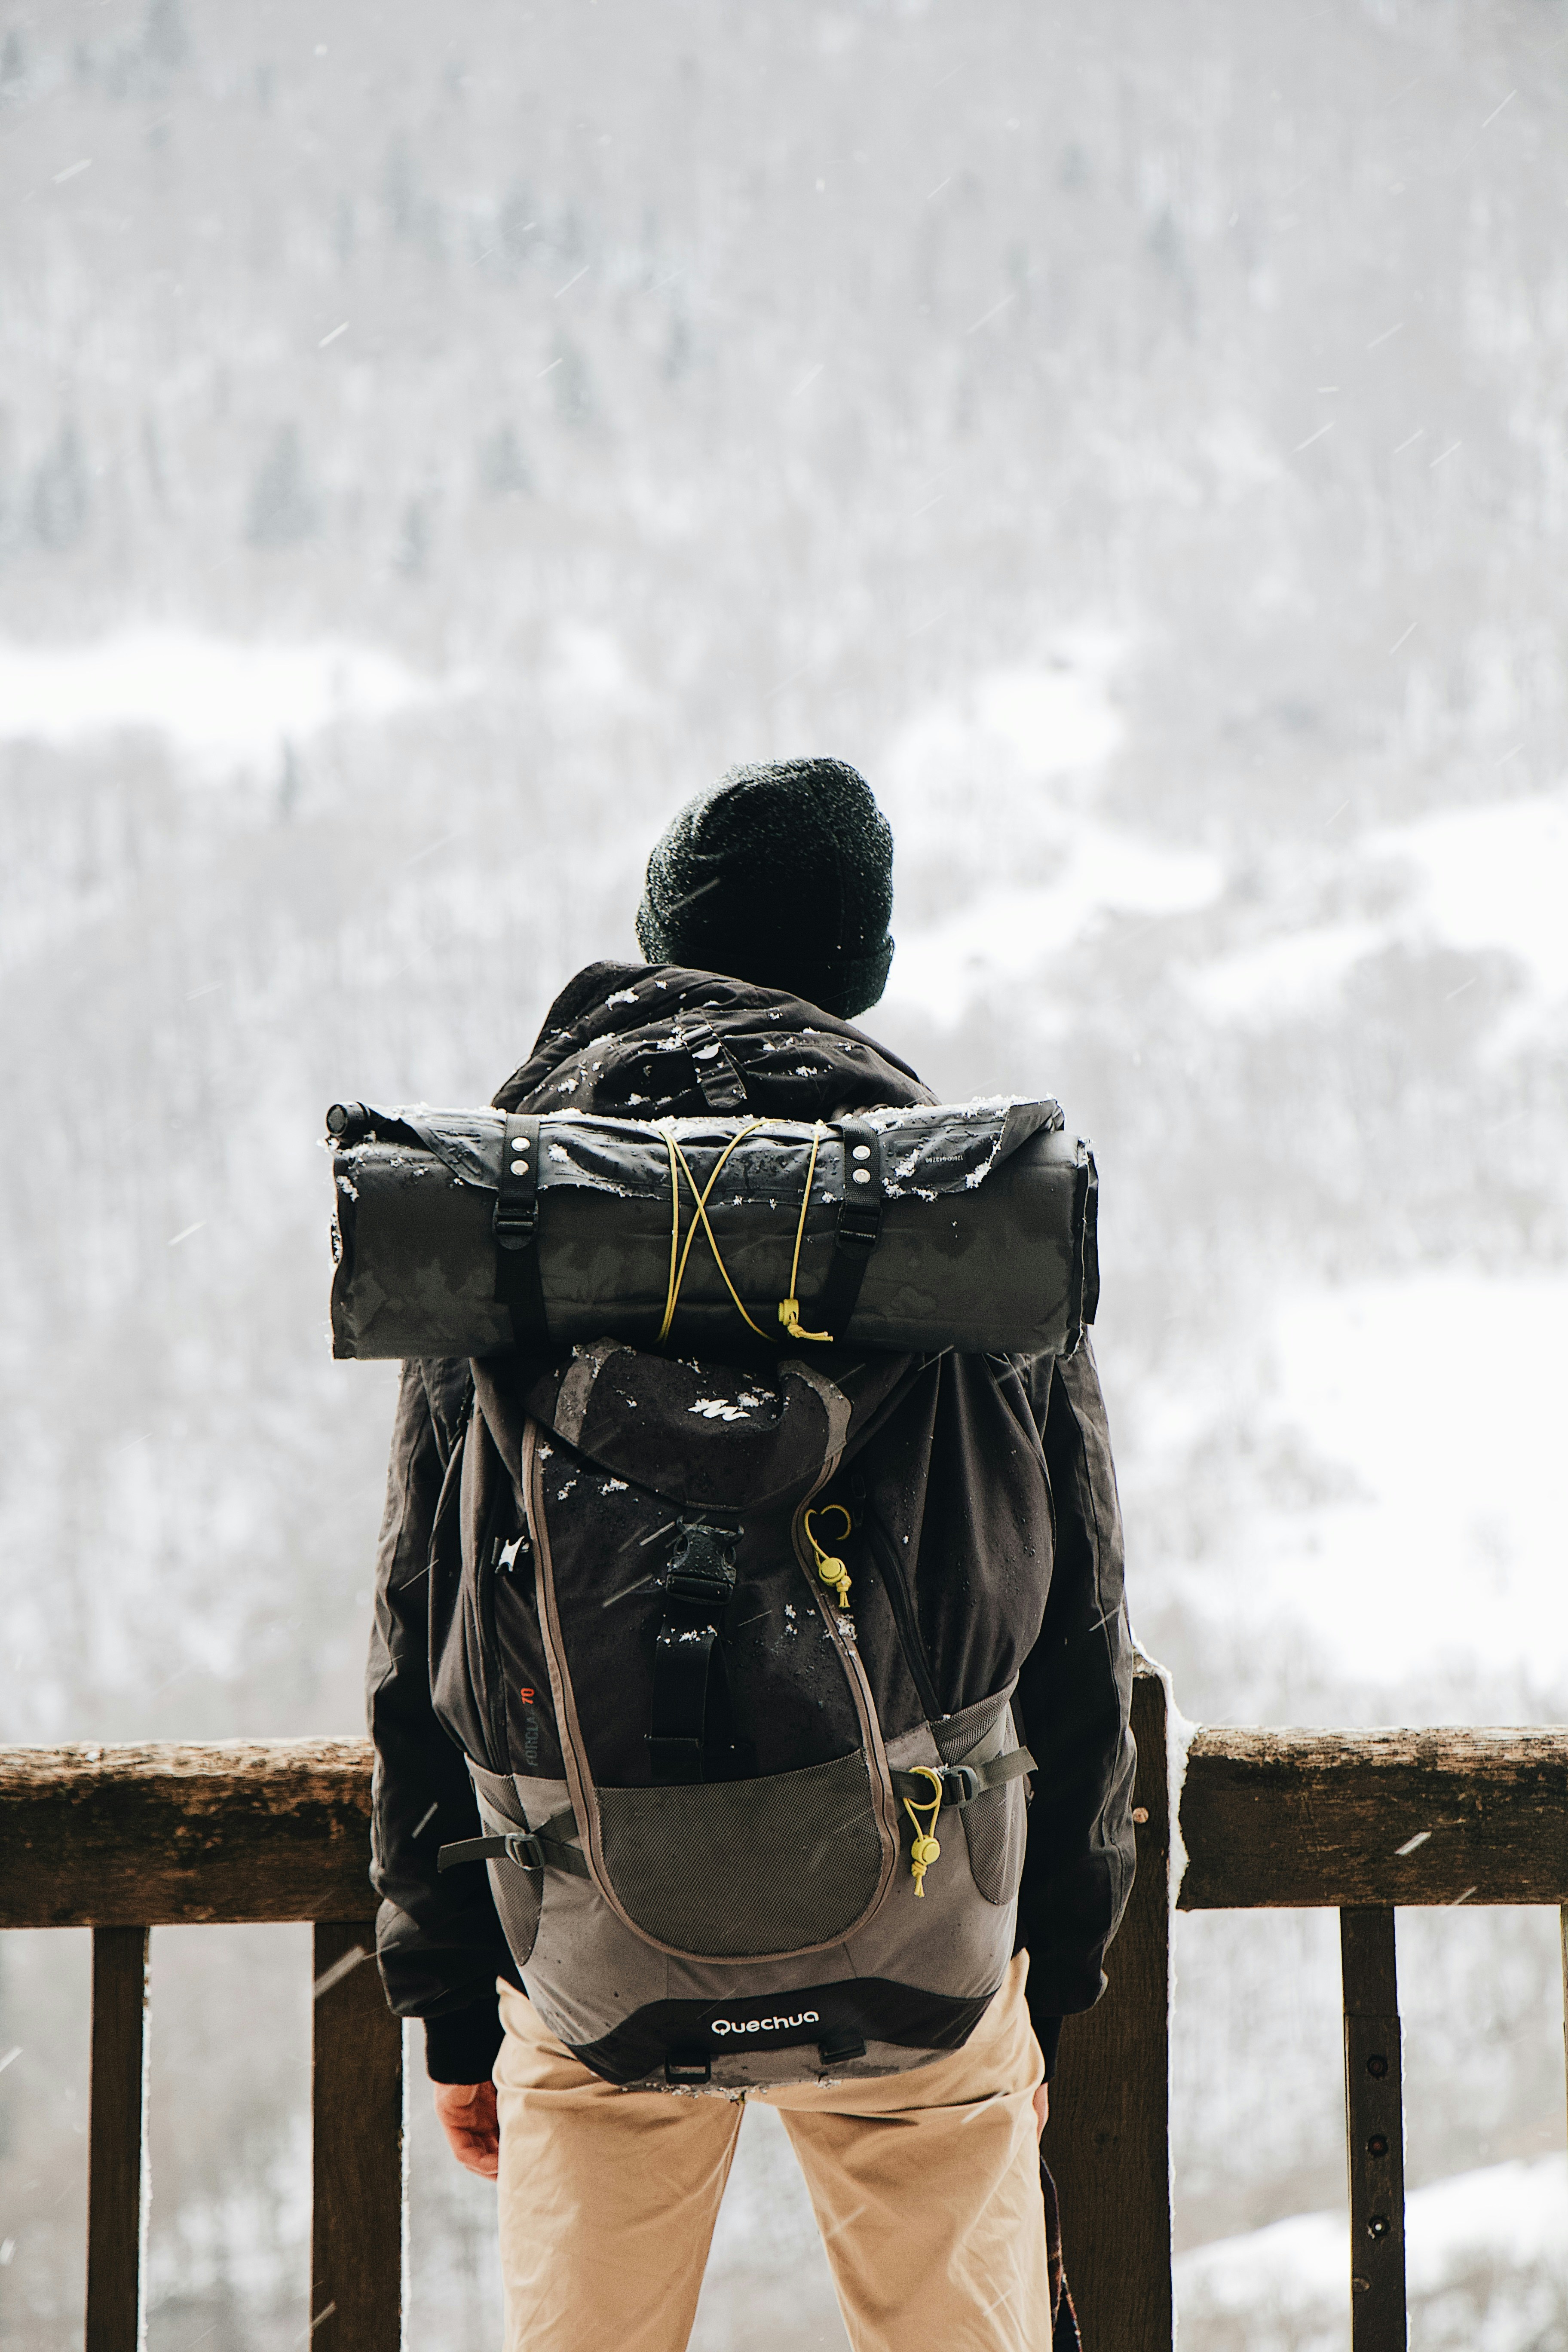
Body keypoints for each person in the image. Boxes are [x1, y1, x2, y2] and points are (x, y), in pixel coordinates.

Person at [367, 757, 1135, 2352]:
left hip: (589, 1957)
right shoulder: (960, 1223)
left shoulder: (517, 1219)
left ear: (660, 948)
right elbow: (1074, 1624)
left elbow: (419, 1637)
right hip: (930, 1942)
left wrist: (449, 2004)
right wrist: (1051, 1969)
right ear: (861, 968)